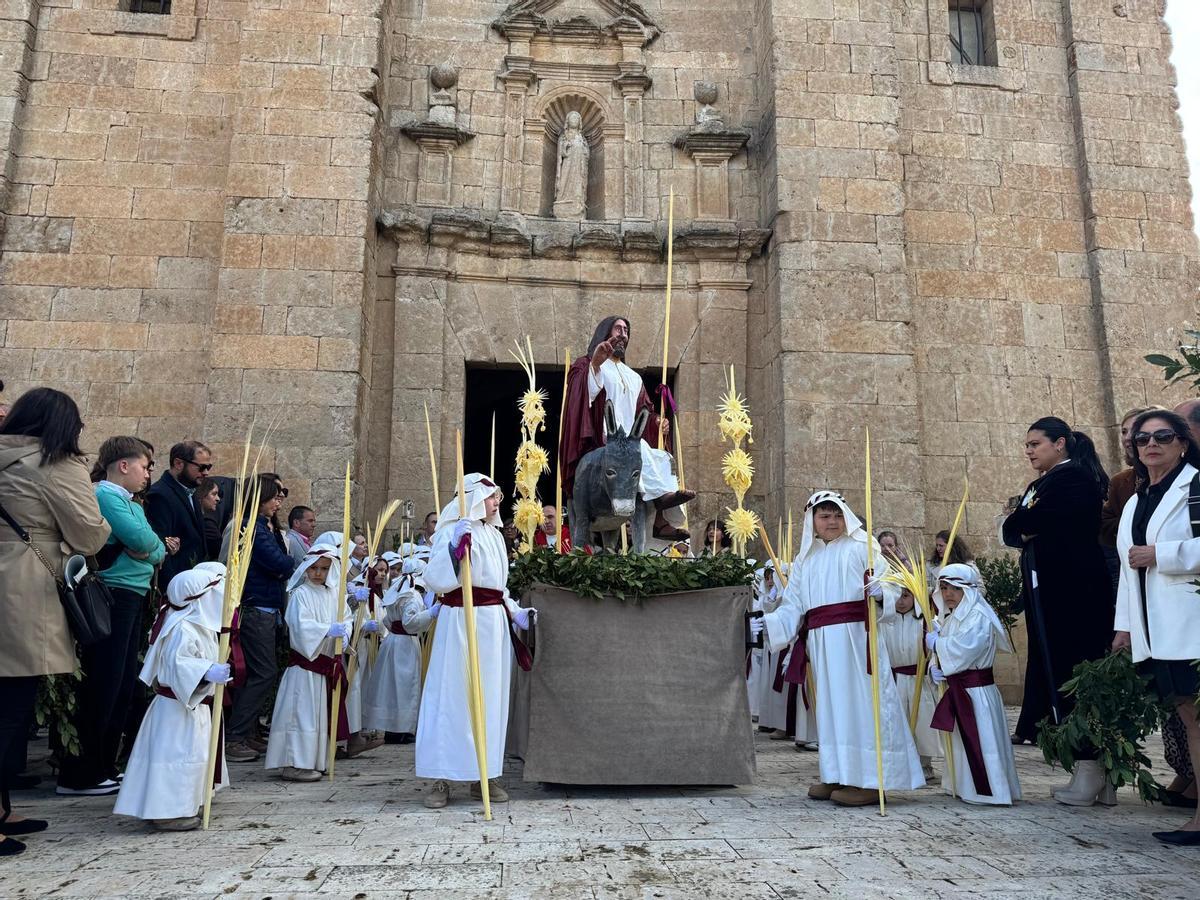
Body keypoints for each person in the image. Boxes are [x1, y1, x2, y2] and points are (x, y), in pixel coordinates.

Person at [750, 491, 924, 806]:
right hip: (822, 644)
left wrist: (881, 591)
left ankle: (870, 780)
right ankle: (838, 773)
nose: (832, 521)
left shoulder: (863, 547)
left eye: (838, 515)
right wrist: (767, 624)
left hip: (857, 641)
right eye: (825, 516)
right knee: (831, 710)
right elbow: (793, 605)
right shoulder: (805, 559)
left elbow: (891, 585)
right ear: (812, 521)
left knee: (861, 706)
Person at [0, 388, 110, 855]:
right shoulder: (55, 464)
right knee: (11, 702)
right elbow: (90, 534)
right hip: (25, 588)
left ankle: (3, 807)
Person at [417, 474, 535, 808]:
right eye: (490, 496)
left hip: (492, 626)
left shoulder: (495, 536)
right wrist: (454, 549)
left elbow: (498, 586)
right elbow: (436, 579)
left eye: (497, 496)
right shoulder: (450, 530)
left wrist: (515, 611)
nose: (496, 502)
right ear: (471, 498)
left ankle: (484, 775)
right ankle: (441, 778)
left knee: (490, 699)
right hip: (459, 621)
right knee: (452, 696)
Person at [56, 437, 166, 796]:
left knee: (121, 684)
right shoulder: (105, 496)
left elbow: (154, 547)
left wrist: (149, 549)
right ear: (123, 465)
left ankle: (104, 765)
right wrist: (148, 548)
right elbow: (143, 540)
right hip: (114, 594)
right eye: (144, 467)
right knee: (104, 681)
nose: (147, 474)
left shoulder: (129, 502)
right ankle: (81, 772)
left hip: (132, 594)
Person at [1112, 409, 1200, 843]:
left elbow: (1148, 558)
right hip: (1159, 630)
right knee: (1189, 717)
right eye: (1143, 438)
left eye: (1163, 436)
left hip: (1191, 625)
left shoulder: (1196, 486)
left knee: (1196, 719)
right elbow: (1128, 571)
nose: (1151, 444)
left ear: (1182, 443)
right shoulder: (1135, 501)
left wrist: (1162, 555)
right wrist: (1124, 628)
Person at [1002, 417, 1114, 752]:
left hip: (1073, 588)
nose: (1029, 451)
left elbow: (1032, 520)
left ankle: (1081, 740)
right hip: (1047, 585)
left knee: (1070, 658)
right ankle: (1042, 726)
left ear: (1060, 443)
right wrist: (1021, 527)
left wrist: (1022, 525)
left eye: (1035, 444)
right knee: (1046, 654)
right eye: (1027, 445)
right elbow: (1013, 529)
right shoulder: (1043, 483)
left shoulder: (1074, 478)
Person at [113, 567, 233, 830]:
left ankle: (185, 803)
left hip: (192, 708)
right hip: (176, 710)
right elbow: (175, 664)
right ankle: (167, 811)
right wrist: (205, 671)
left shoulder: (200, 626)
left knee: (191, 756)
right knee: (174, 759)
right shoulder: (182, 628)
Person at [559, 316, 694, 541]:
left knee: (664, 458)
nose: (623, 334)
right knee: (639, 454)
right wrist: (595, 364)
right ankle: (661, 500)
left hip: (631, 441)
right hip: (604, 440)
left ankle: (661, 519)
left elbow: (644, 411)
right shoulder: (587, 364)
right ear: (604, 333)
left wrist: (656, 422)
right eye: (618, 329)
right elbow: (582, 396)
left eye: (626, 330)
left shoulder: (634, 377)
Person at [927, 564, 1021, 806]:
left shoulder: (977, 616)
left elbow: (966, 649)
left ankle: (989, 791)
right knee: (964, 741)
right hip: (961, 690)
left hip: (977, 694)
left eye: (955, 588)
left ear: (968, 590)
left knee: (983, 741)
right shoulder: (953, 616)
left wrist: (938, 645)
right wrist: (935, 667)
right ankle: (963, 786)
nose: (948, 593)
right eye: (944, 588)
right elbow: (948, 654)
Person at [264, 542, 352, 782]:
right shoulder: (300, 594)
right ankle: (294, 763)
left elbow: (347, 618)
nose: (318, 573)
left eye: (324, 569)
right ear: (306, 568)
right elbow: (300, 626)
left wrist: (344, 633)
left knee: (316, 717)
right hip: (305, 667)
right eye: (314, 568)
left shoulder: (335, 594)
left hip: (324, 667)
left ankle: (314, 760)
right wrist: (326, 630)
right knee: (300, 715)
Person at [224, 475, 296, 762]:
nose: (278, 502)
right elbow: (281, 562)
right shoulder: (251, 527)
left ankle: (248, 731)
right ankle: (235, 736)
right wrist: (283, 566)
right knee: (263, 672)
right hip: (257, 607)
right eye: (273, 496)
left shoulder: (266, 527)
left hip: (269, 606)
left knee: (258, 672)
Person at [362, 548, 437, 743]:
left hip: (393, 642)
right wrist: (430, 614)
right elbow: (410, 623)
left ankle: (393, 728)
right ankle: (401, 729)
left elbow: (388, 620)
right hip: (405, 645)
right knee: (404, 687)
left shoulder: (397, 592)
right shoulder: (412, 596)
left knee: (391, 687)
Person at [880, 587, 939, 782]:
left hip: (919, 680)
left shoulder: (926, 622)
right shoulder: (885, 621)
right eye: (897, 596)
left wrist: (933, 666)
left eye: (906, 596)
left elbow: (935, 650)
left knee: (923, 723)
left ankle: (924, 764)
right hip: (895, 680)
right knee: (898, 722)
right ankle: (900, 764)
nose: (900, 601)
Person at [144, 441, 212, 590]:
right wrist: (172, 590)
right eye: (202, 467)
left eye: (209, 467)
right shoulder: (160, 495)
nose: (206, 472)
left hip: (193, 583)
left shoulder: (191, 491)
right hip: (177, 586)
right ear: (178, 463)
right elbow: (162, 546)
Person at [1100, 407, 1160, 548]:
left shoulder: (1189, 477)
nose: (1127, 437)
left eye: (1135, 430)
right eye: (1124, 431)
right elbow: (1105, 525)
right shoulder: (1120, 481)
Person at [195, 477, 222, 561]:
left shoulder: (205, 520)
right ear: (202, 495)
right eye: (214, 494)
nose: (218, 499)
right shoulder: (207, 524)